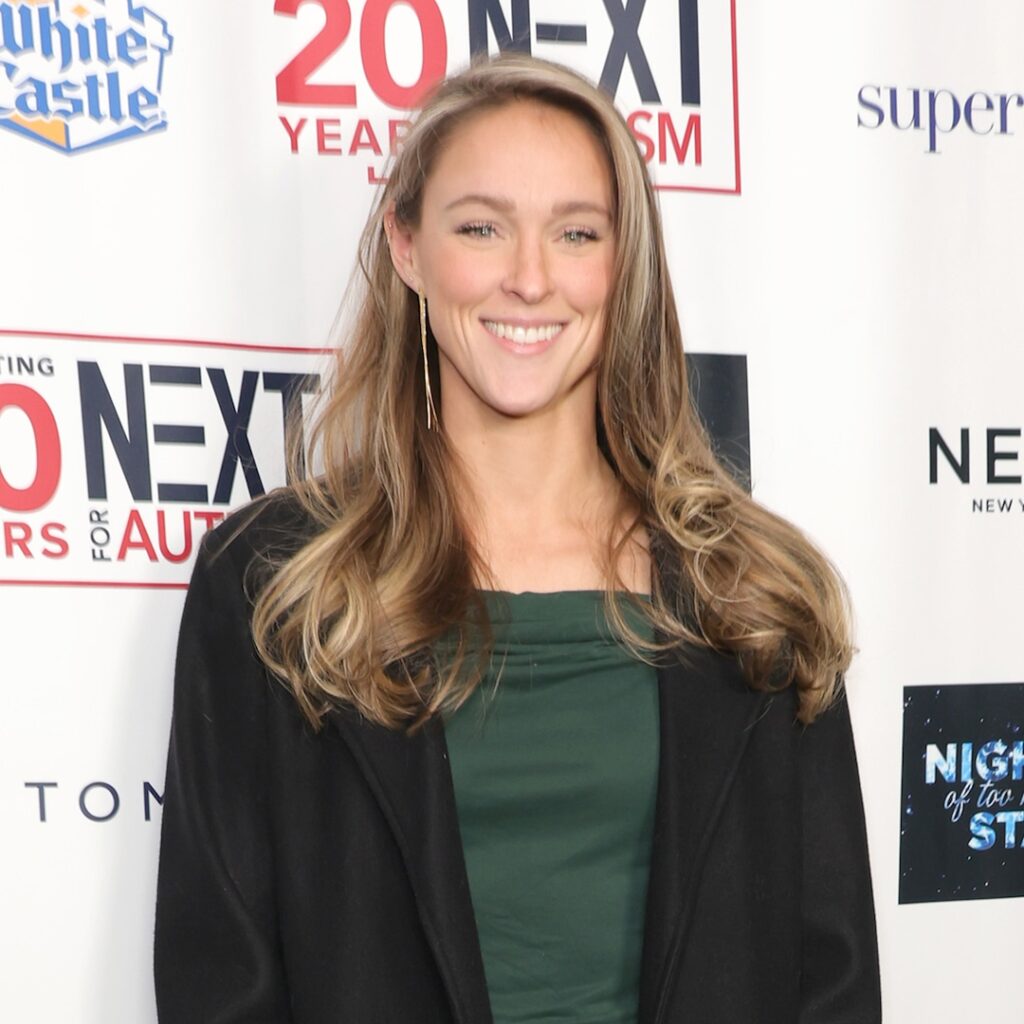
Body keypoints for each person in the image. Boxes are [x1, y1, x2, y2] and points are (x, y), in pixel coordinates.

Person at [154, 54, 881, 1023]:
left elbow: (830, 983)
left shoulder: (752, 593)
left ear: (622, 266)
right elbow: (220, 982)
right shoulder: (275, 585)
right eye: (481, 227)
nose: (530, 279)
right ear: (407, 248)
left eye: (576, 232)